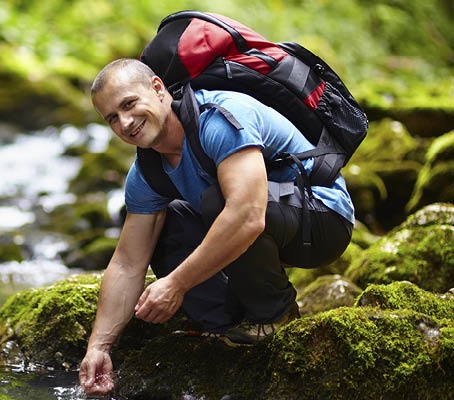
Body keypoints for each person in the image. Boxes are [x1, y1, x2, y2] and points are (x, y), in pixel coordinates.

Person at [78, 58, 354, 396]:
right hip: (265, 221)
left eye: (129, 104)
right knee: (165, 224)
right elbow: (127, 262)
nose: (125, 123)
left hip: (322, 220)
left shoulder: (218, 118)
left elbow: (248, 215)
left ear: (157, 88)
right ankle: (227, 324)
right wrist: (98, 347)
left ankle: (275, 314)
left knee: (222, 203)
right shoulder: (146, 173)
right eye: (112, 118)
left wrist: (175, 284)